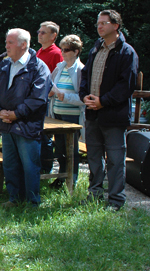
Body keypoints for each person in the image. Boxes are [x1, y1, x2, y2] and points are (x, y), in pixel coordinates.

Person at [79, 10, 138, 211]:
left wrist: (103, 101)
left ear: (116, 26)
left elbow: (126, 85)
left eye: (104, 23)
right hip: (93, 113)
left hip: (113, 116)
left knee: (115, 160)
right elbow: (85, 74)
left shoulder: (127, 52)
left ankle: (115, 200)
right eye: (98, 23)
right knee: (94, 157)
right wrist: (84, 95)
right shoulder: (96, 48)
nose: (99, 26)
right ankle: (94, 195)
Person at [0, 28, 51, 207]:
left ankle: (32, 202)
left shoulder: (38, 68)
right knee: (10, 164)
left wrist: (16, 114)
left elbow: (38, 98)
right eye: (7, 42)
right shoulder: (5, 66)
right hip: (7, 124)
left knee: (30, 166)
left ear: (23, 45)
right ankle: (14, 198)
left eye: (10, 42)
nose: (6, 46)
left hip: (27, 126)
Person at [48, 35, 85, 188]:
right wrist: (50, 92)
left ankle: (72, 180)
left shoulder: (81, 70)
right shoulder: (59, 67)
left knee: (71, 149)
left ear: (76, 51)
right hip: (57, 112)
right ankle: (61, 177)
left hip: (72, 115)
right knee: (60, 147)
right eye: (62, 49)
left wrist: (66, 97)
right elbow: (50, 85)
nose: (63, 52)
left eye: (67, 50)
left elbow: (84, 97)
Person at [36, 21, 63, 173]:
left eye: (43, 32)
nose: (39, 34)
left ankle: (46, 169)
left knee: (46, 136)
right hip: (38, 100)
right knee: (39, 134)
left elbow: (56, 83)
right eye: (39, 31)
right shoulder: (39, 52)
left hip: (48, 101)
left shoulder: (57, 54)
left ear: (53, 36)